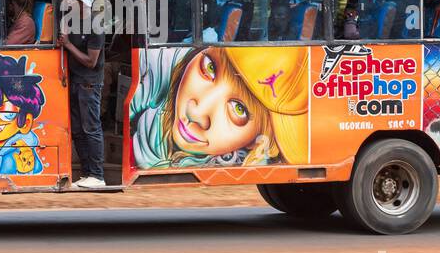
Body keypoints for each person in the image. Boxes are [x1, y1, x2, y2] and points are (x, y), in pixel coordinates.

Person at [130, 46, 309, 168]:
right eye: (209, 68)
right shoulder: (158, 69)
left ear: (259, 140)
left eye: (239, 109)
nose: (197, 113)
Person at [59, 0, 105, 189]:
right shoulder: (73, 21)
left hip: (89, 82)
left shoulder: (96, 25)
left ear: (81, 2)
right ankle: (87, 173)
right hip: (76, 80)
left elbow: (90, 61)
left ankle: (97, 175)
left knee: (91, 128)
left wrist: (68, 45)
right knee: (78, 129)